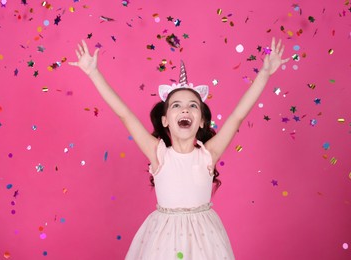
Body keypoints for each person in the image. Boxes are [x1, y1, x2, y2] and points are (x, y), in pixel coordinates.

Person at [69, 37, 289, 259]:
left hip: (205, 240)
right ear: (165, 120)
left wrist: (264, 74)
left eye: (193, 106)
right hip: (164, 240)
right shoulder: (158, 154)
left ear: (202, 121)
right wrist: (93, 73)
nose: (185, 110)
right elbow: (124, 114)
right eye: (177, 105)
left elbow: (237, 116)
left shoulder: (208, 154)